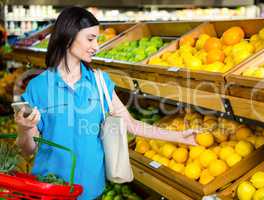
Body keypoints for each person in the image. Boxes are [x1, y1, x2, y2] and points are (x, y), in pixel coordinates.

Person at [14, 7, 196, 199]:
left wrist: (178, 137)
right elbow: (28, 149)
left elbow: (132, 125)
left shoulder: (100, 82)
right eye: (90, 39)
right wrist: (24, 129)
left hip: (91, 189)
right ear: (68, 36)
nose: (96, 46)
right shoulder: (38, 87)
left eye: (97, 39)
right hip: (49, 188)